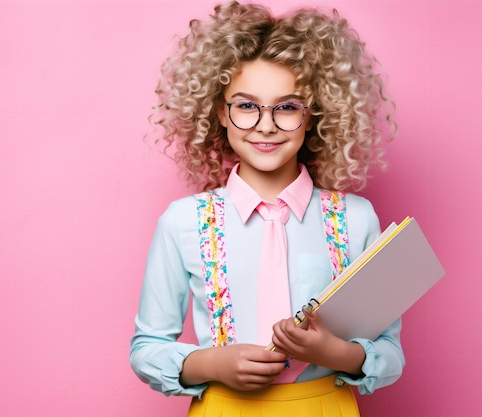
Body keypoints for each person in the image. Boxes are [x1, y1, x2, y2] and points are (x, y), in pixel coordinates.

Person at [130, 1, 405, 415]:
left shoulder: (357, 218)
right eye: (246, 105)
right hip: (223, 407)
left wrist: (337, 354)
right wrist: (210, 362)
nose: (265, 124)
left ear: (312, 115)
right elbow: (146, 348)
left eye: (287, 107)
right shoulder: (182, 221)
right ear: (221, 113)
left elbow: (391, 354)